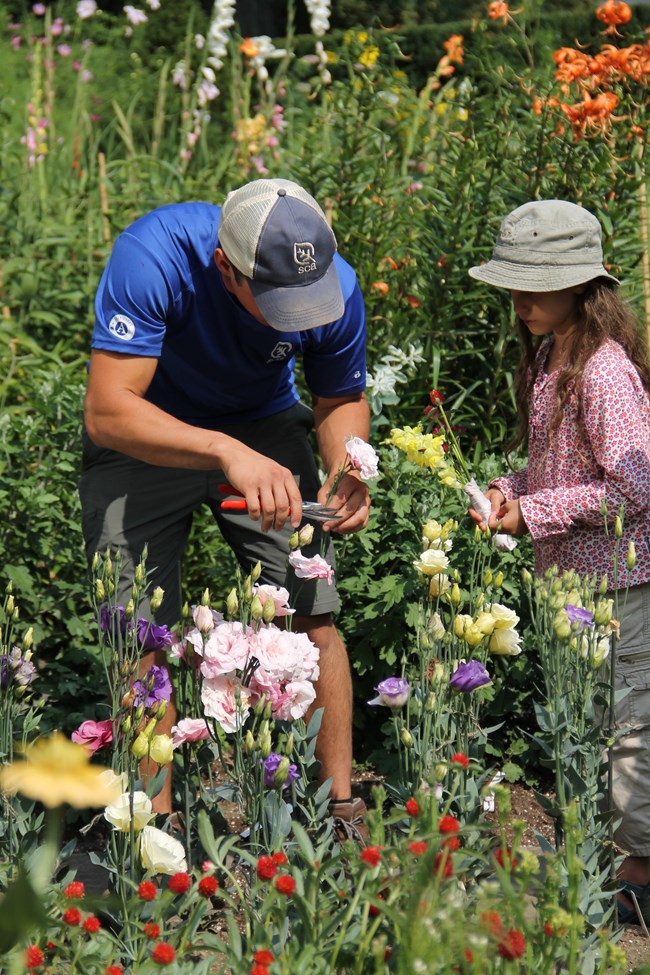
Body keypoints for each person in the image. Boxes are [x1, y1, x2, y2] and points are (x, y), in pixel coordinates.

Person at [79, 177, 371, 832]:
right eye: (279, 302)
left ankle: (339, 805)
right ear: (224, 268)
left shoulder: (334, 284)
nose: (301, 314)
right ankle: (151, 831)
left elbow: (338, 398)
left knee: (310, 607)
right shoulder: (154, 256)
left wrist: (346, 464)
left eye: (309, 299)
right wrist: (221, 450)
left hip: (263, 425)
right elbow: (107, 409)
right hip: (147, 431)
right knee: (139, 628)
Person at [466, 199, 650, 924]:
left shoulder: (602, 372)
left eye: (535, 285)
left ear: (582, 286)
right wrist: (512, 488)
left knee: (629, 724)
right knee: (589, 718)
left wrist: (534, 512)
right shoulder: (551, 355)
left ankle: (638, 868)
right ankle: (608, 855)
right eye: (514, 284)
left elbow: (636, 484)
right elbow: (562, 466)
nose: (521, 300)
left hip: (623, 582)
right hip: (577, 582)